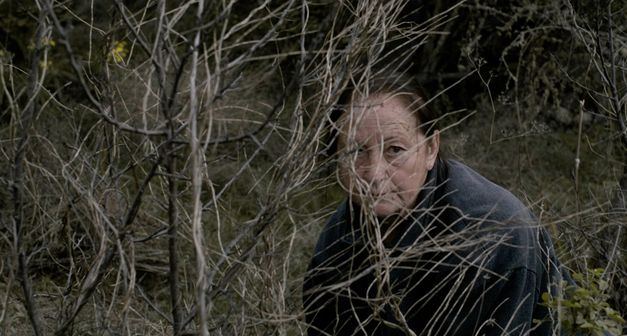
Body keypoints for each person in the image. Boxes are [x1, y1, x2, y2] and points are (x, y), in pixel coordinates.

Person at [302, 72, 564, 336]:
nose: (373, 173)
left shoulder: (492, 233)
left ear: (430, 149)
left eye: (395, 150)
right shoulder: (337, 240)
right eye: (355, 151)